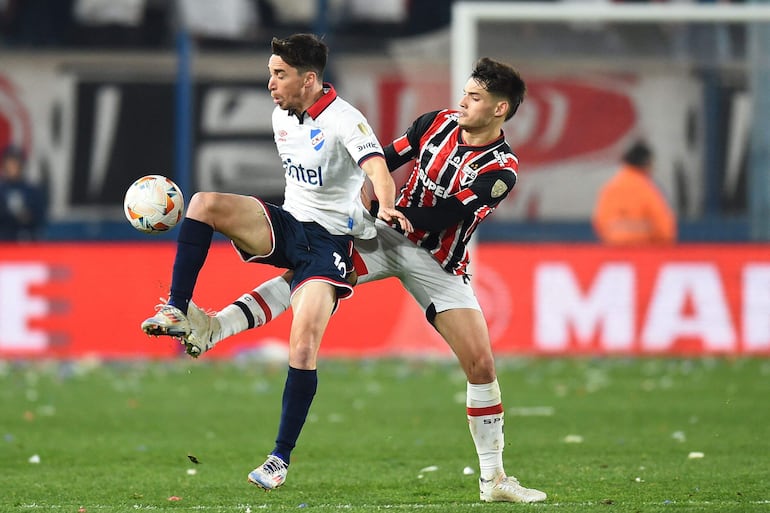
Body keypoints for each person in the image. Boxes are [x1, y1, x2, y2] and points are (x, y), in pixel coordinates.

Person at [182, 57, 547, 503]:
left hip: (438, 262)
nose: (462, 103)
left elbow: (446, 216)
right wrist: (362, 190)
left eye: (474, 98)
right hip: (384, 237)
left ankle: (494, 481)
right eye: (465, 93)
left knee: (482, 366)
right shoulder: (436, 123)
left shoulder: (501, 170)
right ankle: (216, 326)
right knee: (310, 274)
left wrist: (380, 209)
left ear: (499, 109)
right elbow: (386, 156)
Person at [139, 33, 411, 490]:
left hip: (330, 245)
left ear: (309, 80)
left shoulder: (347, 120)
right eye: (270, 72)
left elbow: (378, 169)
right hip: (288, 226)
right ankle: (178, 307)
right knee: (204, 203)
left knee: (302, 346)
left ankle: (278, 459)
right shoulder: (281, 116)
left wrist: (386, 205)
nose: (270, 83)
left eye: (279, 74)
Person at [592, 140, 677, 245]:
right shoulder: (648, 190)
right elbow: (664, 229)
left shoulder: (610, 189)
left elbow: (600, 222)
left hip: (614, 251)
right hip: (645, 252)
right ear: (647, 164)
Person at [0, 144, 47, 241]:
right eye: (10, 162)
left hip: (28, 243)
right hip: (4, 243)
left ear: (22, 164)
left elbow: (40, 218)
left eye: (16, 162)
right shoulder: (1, 190)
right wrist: (10, 213)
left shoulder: (33, 190)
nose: (13, 166)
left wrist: (26, 216)